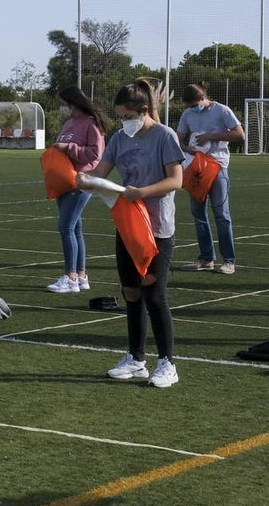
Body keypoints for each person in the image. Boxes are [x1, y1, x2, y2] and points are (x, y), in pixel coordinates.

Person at [79, 78, 184, 389]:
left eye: (127, 116)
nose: (124, 122)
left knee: (155, 294)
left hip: (157, 229)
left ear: (142, 111)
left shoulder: (165, 136)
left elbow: (176, 180)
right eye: (120, 117)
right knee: (131, 292)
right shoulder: (119, 138)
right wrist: (84, 178)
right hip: (127, 225)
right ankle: (136, 359)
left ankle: (167, 363)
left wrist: (142, 192)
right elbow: (101, 171)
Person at [176, 83, 244, 274]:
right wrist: (185, 147)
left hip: (217, 166)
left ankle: (229, 261)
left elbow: (240, 134)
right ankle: (206, 258)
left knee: (222, 215)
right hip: (196, 167)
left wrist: (211, 137)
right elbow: (178, 136)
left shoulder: (222, 110)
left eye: (194, 104)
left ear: (203, 98)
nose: (192, 109)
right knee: (198, 214)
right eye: (189, 106)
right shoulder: (188, 114)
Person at [46, 86, 108, 293]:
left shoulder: (91, 124)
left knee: (65, 227)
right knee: (75, 228)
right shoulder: (69, 123)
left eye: (65, 104)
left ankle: (70, 276)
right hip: (63, 179)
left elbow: (95, 153)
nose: (63, 108)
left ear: (73, 103)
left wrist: (69, 149)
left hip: (81, 181)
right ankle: (81, 275)